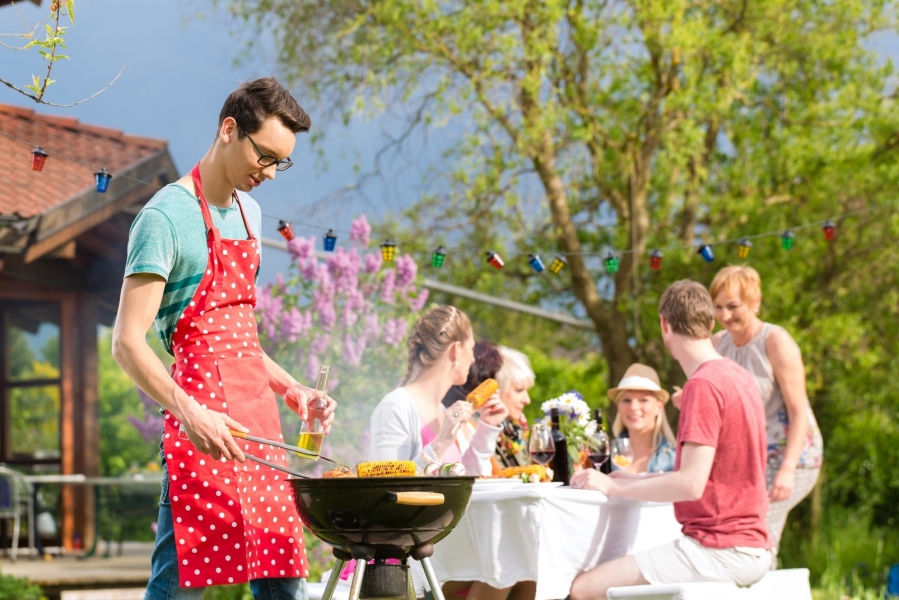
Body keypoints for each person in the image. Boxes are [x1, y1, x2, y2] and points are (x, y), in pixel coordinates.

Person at [112, 78, 337, 600]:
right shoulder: (165, 218)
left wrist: (292, 389)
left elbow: (236, 337)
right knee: (180, 586)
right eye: (265, 156)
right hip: (201, 427)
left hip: (259, 422)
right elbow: (126, 342)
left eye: (282, 163)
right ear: (229, 130)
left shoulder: (250, 214)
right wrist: (192, 413)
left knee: (284, 584)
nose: (271, 173)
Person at [569, 280, 772, 600]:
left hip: (720, 547)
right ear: (710, 320)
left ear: (665, 324)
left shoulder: (702, 384)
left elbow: (690, 484)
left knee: (584, 590)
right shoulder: (738, 375)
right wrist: (636, 478)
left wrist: (613, 486)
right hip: (751, 544)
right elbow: (713, 475)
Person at [709, 266, 823, 565]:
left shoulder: (775, 341)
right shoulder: (718, 344)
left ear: (755, 302)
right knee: (742, 532)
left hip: (793, 455)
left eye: (733, 306)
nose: (724, 315)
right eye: (718, 307)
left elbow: (798, 411)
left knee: (758, 531)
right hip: (752, 458)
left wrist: (787, 469)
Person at [368, 305, 508, 475]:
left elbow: (461, 481)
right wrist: (441, 443)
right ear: (456, 350)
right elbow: (385, 484)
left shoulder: (443, 412)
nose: (472, 359)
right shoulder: (396, 407)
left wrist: (486, 428)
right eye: (470, 349)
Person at [608, 364, 676, 474]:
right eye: (626, 400)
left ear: (659, 407)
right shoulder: (605, 457)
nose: (634, 407)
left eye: (643, 400)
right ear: (618, 407)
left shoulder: (677, 458)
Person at [493, 346, 536, 469]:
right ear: (497, 389)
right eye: (519, 390)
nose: (527, 400)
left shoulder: (515, 430)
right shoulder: (478, 430)